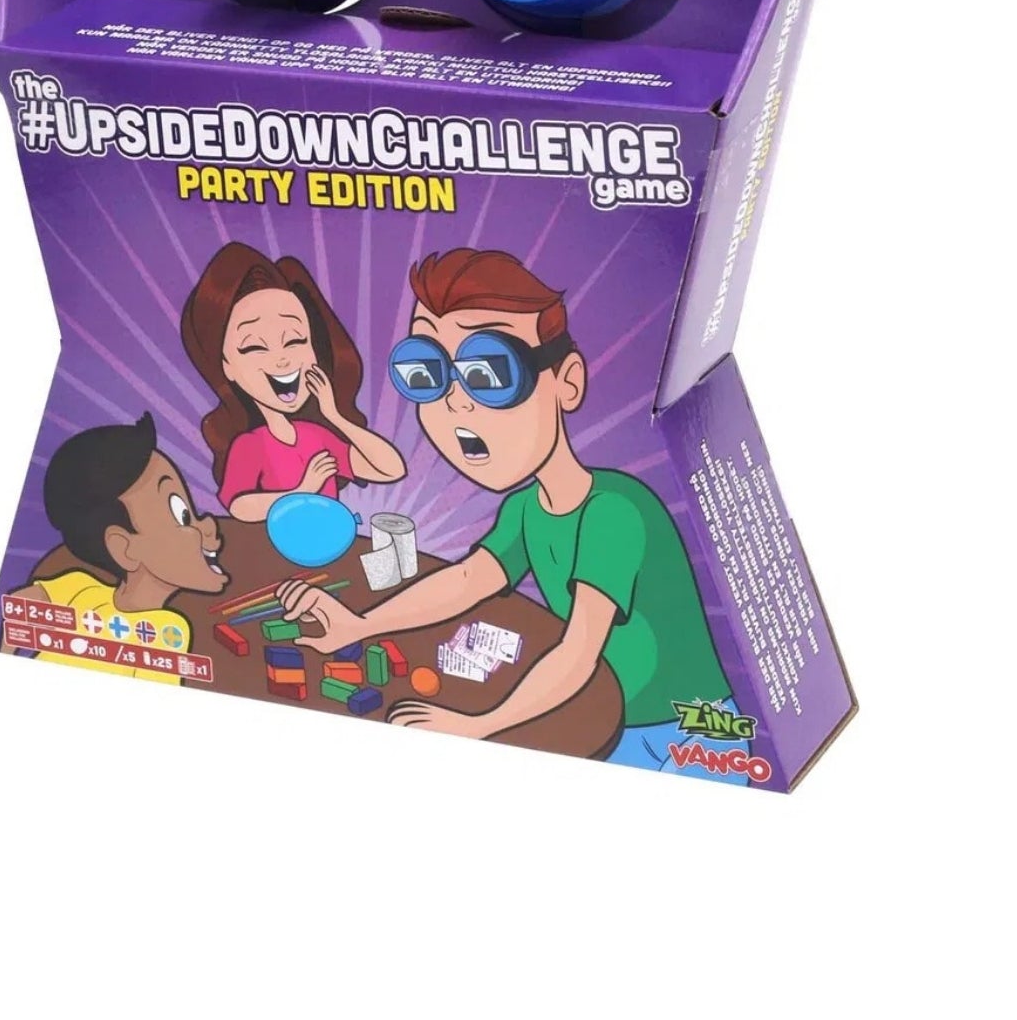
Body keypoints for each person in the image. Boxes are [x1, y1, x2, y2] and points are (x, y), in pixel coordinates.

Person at [276, 248, 744, 777]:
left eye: (490, 370)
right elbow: (469, 581)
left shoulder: (613, 513)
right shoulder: (525, 508)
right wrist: (358, 625)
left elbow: (578, 653)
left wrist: (480, 725)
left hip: (682, 734)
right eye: (425, 371)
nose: (455, 402)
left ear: (566, 381)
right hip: (600, 714)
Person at [181, 242, 405, 520]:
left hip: (331, 542)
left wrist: (335, 416)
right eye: (255, 347)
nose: (282, 360)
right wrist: (302, 490)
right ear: (227, 366)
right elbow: (240, 506)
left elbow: (391, 469)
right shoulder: (249, 445)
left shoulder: (318, 437)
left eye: (295, 341)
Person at [1, 412, 225, 681]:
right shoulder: (167, 632)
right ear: (124, 549)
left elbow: (22, 603)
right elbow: (20, 604)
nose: (209, 524)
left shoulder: (82, 589)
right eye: (183, 516)